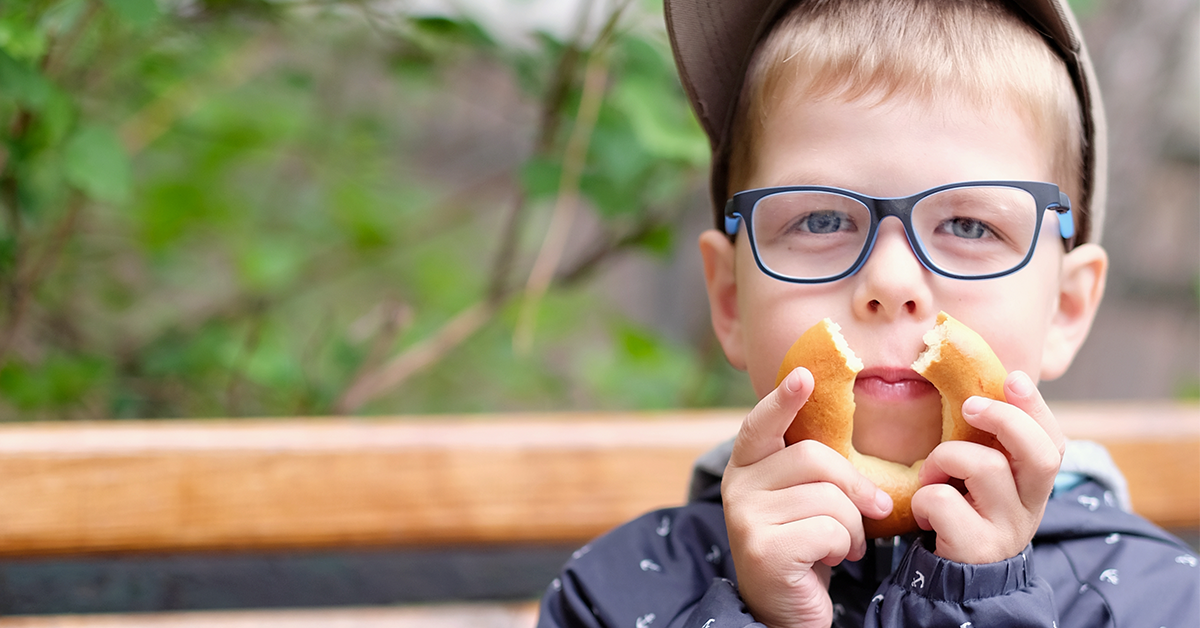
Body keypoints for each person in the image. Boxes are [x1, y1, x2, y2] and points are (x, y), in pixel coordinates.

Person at [536, 0, 1200, 626]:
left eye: (969, 226)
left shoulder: (1160, 601)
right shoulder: (620, 595)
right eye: (821, 219)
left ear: (1066, 307)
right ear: (730, 298)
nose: (889, 280)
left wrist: (978, 602)